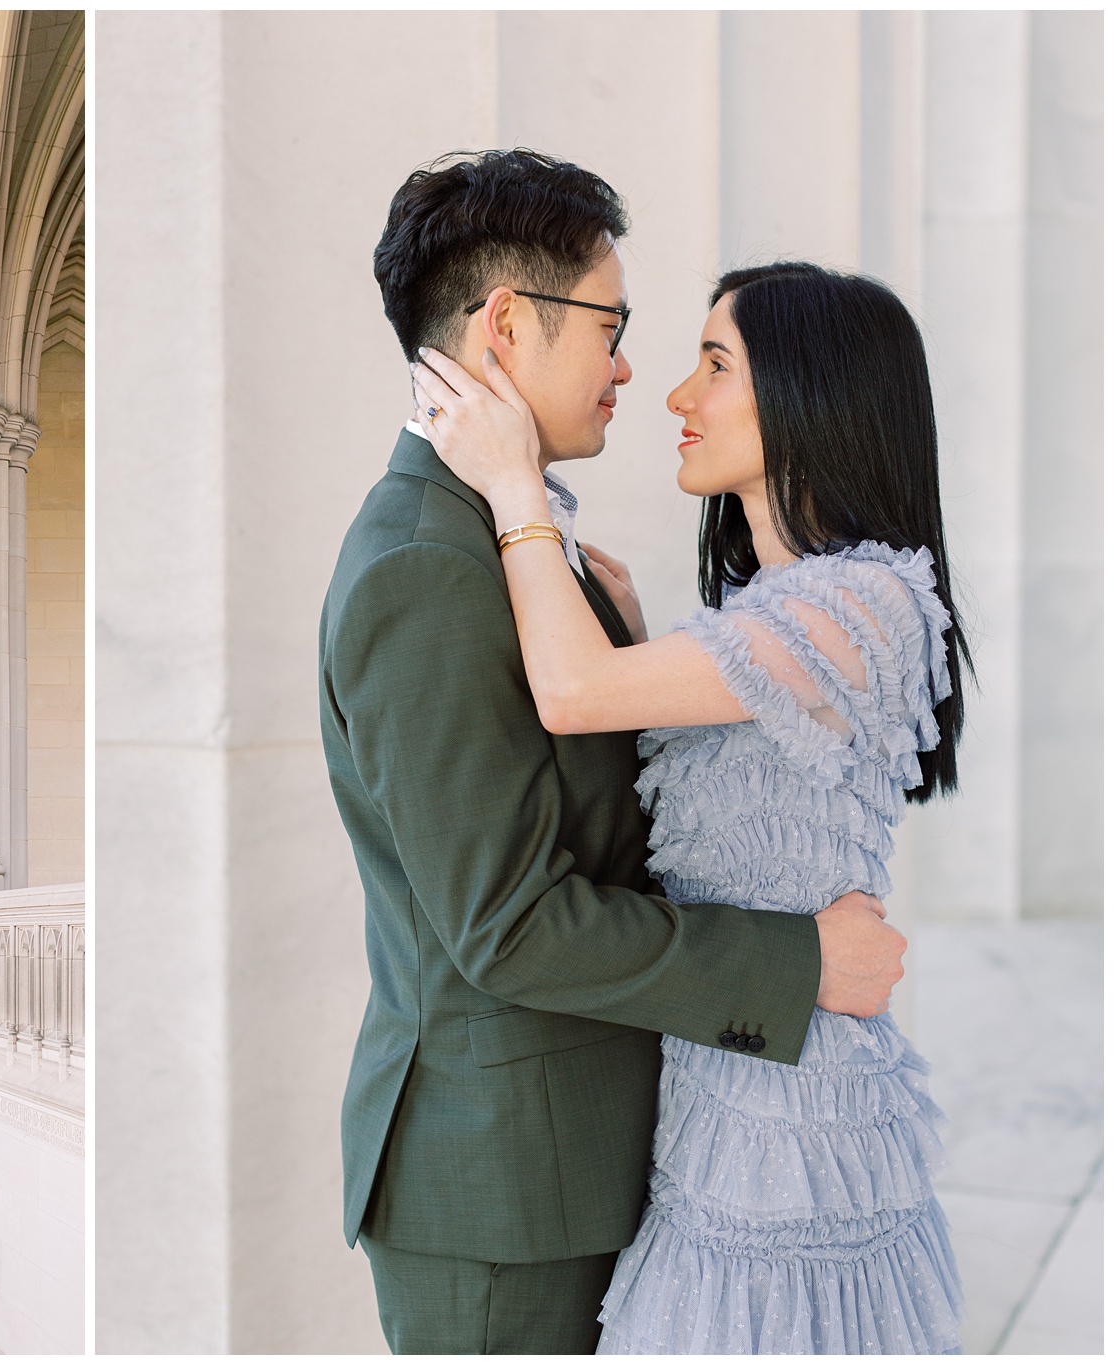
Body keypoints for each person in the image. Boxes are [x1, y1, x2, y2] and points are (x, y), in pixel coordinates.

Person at [320, 149, 910, 1355]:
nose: (634, 369)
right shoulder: (427, 571)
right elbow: (508, 925)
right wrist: (795, 963)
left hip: (589, 1158)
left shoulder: (496, 540)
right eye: (613, 325)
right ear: (503, 327)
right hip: (501, 1199)